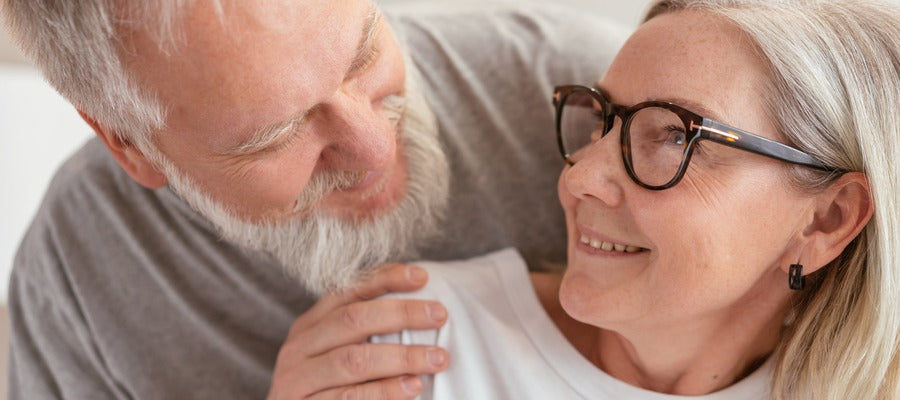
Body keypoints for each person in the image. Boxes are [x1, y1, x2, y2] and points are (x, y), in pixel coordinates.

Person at [0, 0, 627, 399]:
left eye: (363, 54)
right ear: (130, 145)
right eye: (276, 134)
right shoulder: (76, 282)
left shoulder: (596, 107)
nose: (376, 147)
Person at [373, 0, 900, 398]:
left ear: (826, 220)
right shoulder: (415, 347)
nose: (579, 178)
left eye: (675, 136)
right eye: (603, 120)